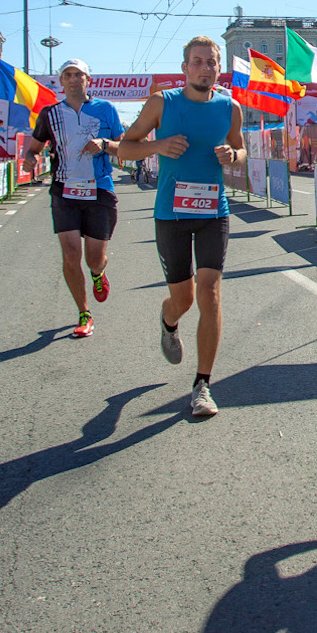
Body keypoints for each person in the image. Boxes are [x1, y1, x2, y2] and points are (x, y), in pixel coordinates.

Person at [118, 37, 247, 420]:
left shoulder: (230, 107)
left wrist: (232, 155)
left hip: (213, 212)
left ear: (218, 69)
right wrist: (158, 147)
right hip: (171, 215)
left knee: (210, 293)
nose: (205, 68)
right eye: (197, 62)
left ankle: (202, 385)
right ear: (185, 67)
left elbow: (241, 152)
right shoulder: (163, 103)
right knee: (184, 299)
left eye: (211, 62)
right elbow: (125, 148)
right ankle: (168, 319)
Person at [21, 58, 126, 339]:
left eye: (78, 74)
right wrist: (29, 160)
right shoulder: (50, 114)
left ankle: (97, 273)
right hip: (64, 191)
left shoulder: (105, 110)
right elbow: (32, 149)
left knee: (93, 258)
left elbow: (125, 147)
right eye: (67, 75)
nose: (73, 79)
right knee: (70, 254)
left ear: (88, 80)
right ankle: (84, 312)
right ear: (61, 82)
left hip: (100, 190)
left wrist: (105, 145)